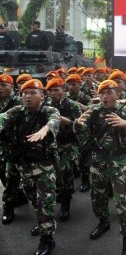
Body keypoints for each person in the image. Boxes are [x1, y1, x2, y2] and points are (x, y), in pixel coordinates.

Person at [74, 80, 126, 255]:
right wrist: (77, 124)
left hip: (118, 159)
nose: (105, 96)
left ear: (117, 94)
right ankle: (103, 221)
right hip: (98, 160)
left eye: (109, 92)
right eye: (102, 93)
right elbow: (82, 133)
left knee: (122, 201)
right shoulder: (94, 112)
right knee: (97, 196)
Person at [0, 79, 60, 255]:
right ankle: (43, 224)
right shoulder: (16, 111)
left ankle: (47, 239)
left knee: (45, 203)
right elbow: (2, 118)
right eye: (25, 93)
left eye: (33, 93)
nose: (28, 96)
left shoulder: (48, 110)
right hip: (24, 166)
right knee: (33, 199)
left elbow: (55, 120)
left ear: (42, 95)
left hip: (44, 167)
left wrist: (45, 129)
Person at [45, 77, 82, 222]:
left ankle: (65, 204)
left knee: (66, 173)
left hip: (67, 145)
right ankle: (60, 194)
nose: (53, 93)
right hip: (52, 146)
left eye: (56, 90)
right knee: (52, 174)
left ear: (64, 90)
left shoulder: (72, 105)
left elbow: (81, 127)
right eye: (50, 91)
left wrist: (69, 122)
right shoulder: (45, 106)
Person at [0, 74, 28, 225]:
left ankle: (9, 206)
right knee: (3, 175)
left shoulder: (19, 102)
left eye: (4, 85)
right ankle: (19, 196)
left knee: (12, 176)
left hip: (17, 146)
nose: (1, 88)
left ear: (13, 87)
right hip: (2, 146)